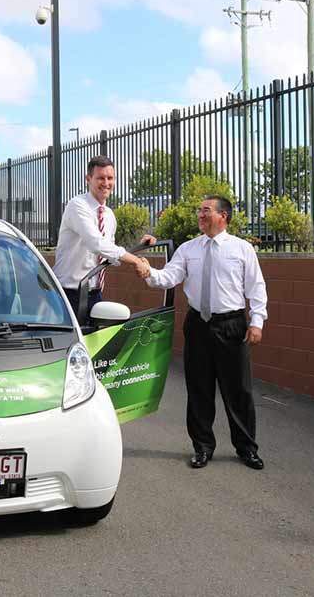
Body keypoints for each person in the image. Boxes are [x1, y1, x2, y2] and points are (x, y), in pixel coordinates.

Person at [141, 196, 268, 470]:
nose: (200, 214)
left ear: (223, 216)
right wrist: (148, 271)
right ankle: (202, 447)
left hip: (231, 325)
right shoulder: (189, 249)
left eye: (206, 210)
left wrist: (257, 321)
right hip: (198, 325)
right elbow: (169, 277)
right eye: (199, 210)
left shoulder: (242, 249)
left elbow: (256, 288)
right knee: (199, 389)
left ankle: (246, 448)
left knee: (239, 390)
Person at [54, 155, 155, 315]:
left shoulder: (109, 215)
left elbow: (110, 255)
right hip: (68, 294)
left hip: (94, 293)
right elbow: (96, 244)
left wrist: (139, 250)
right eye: (101, 178)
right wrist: (134, 260)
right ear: (88, 179)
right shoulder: (77, 205)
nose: (106, 183)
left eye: (110, 178)